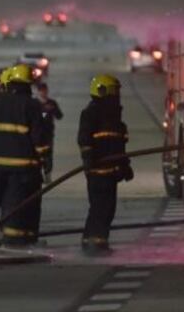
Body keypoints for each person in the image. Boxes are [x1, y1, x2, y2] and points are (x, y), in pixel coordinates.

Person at [0, 64, 49, 249]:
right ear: (28, 84)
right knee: (13, 201)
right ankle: (12, 238)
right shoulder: (32, 105)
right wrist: (45, 159)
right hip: (21, 166)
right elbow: (39, 139)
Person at [77, 74, 132, 255]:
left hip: (111, 172)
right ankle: (94, 244)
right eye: (113, 91)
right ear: (101, 91)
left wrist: (125, 166)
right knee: (100, 208)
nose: (116, 95)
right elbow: (84, 139)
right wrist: (88, 159)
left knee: (107, 208)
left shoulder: (116, 117)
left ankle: (95, 242)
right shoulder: (91, 113)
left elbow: (119, 144)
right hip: (98, 171)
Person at [35, 83, 64, 183]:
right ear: (38, 91)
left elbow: (59, 116)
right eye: (41, 90)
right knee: (36, 154)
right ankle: (37, 174)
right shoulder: (33, 103)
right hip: (36, 134)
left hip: (48, 134)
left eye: (44, 90)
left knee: (48, 155)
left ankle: (47, 174)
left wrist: (53, 109)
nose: (43, 92)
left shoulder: (52, 103)